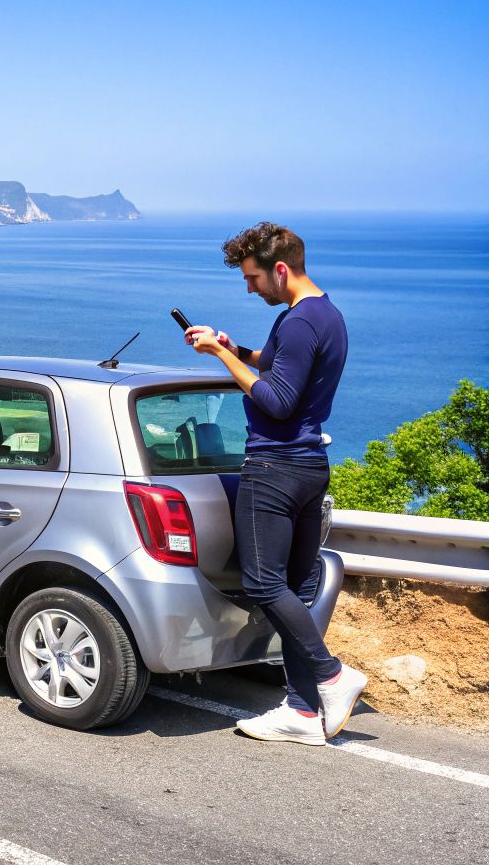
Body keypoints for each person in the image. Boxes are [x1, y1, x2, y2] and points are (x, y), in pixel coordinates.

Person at [185, 221, 368, 746]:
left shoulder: (296, 323)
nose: (249, 288)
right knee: (291, 586)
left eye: (253, 278)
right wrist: (232, 347)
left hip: (274, 468)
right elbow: (281, 367)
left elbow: (276, 400)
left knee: (264, 584)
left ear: (280, 269)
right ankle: (303, 710)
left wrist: (221, 360)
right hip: (311, 466)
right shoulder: (324, 315)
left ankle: (331, 676)